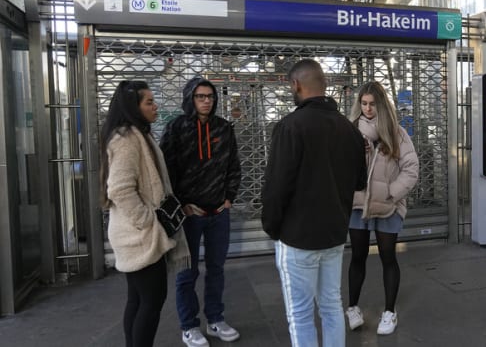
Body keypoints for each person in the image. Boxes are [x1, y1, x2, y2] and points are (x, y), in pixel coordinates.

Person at [261, 59, 367, 347]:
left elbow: (275, 187)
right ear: (325, 85)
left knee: (300, 314)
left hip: (296, 238)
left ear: (296, 85)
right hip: (334, 235)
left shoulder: (290, 127)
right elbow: (360, 182)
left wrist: (272, 228)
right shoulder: (349, 129)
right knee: (332, 306)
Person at [100, 80, 189, 347]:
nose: (155, 105)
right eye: (149, 101)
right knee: (151, 301)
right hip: (139, 236)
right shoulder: (126, 139)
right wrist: (148, 222)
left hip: (137, 234)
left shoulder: (138, 134)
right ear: (133, 107)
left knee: (138, 300)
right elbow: (120, 190)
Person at [160, 77, 242, 347]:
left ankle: (216, 319)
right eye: (200, 96)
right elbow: (166, 172)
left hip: (219, 213)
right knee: (187, 273)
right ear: (190, 98)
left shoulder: (224, 128)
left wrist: (229, 198)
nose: (207, 100)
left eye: (210, 96)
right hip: (190, 216)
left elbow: (233, 166)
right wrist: (181, 204)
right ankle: (189, 326)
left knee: (216, 269)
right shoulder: (176, 128)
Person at [345, 81, 419, 335]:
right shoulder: (351, 131)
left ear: (382, 105)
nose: (367, 109)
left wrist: (391, 193)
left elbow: (411, 169)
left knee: (388, 256)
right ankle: (352, 307)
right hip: (358, 206)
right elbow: (339, 166)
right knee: (357, 256)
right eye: (363, 104)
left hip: (387, 206)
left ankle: (390, 312)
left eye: (372, 104)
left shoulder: (396, 133)